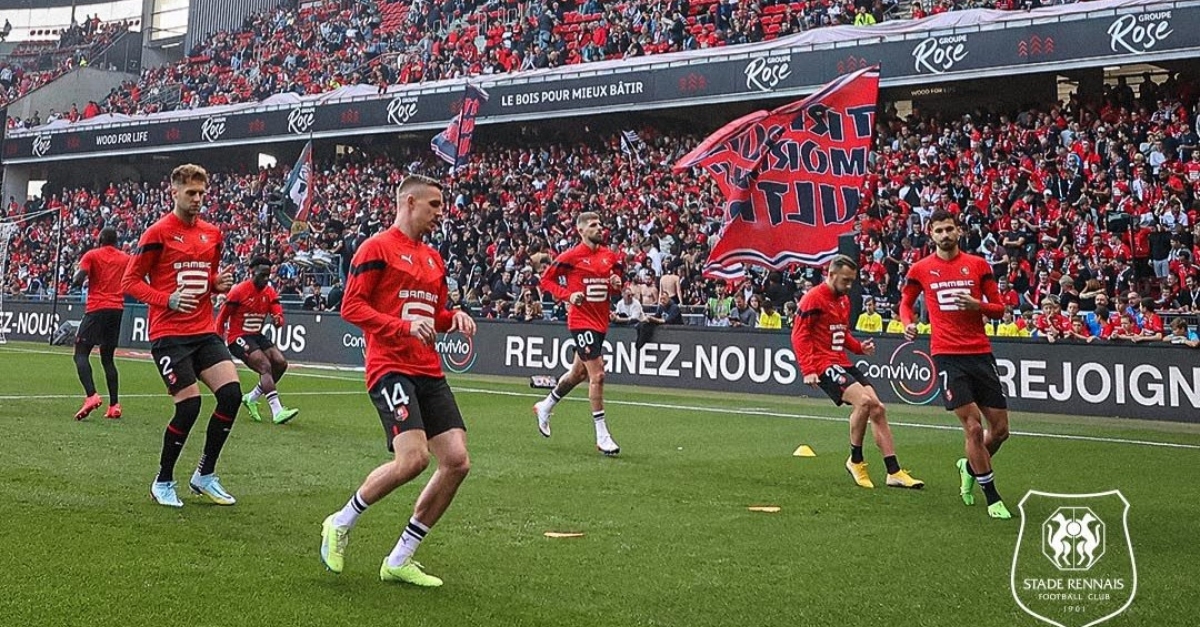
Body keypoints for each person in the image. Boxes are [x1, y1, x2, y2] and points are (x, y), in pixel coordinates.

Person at [319, 174, 476, 587]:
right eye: (434, 205)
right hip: (389, 366)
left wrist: (452, 318)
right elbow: (351, 307)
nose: (440, 214)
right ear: (409, 202)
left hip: (428, 370)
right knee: (413, 460)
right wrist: (402, 328)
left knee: (457, 461)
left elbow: (434, 317)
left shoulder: (433, 259)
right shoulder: (376, 248)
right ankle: (340, 521)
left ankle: (401, 557)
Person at [122, 164, 241, 508]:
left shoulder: (212, 233)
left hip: (204, 329)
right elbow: (129, 282)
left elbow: (210, 276)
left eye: (202, 193)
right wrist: (166, 299)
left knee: (231, 395)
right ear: (173, 192)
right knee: (189, 405)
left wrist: (217, 285)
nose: (198, 199)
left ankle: (204, 475)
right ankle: (163, 480)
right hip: (169, 334)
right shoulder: (157, 233)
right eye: (191, 193)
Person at [900, 209, 1012, 520]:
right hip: (947, 355)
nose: (945, 235)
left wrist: (978, 305)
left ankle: (969, 466)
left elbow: (999, 310)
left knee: (1000, 431)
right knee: (974, 428)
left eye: (949, 229)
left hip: (980, 352)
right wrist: (907, 323)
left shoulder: (977, 265)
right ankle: (992, 497)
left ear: (958, 231)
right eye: (939, 231)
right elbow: (906, 302)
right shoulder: (921, 269)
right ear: (930, 234)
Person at [795, 255, 924, 490]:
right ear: (831, 275)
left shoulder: (843, 300)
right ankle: (855, 460)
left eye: (852, 281)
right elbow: (799, 335)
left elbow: (840, 332)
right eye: (845, 280)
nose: (849, 286)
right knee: (864, 402)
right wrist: (808, 369)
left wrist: (858, 348)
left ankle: (893, 471)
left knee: (878, 408)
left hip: (841, 361)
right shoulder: (812, 298)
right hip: (823, 364)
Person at [533, 211, 623, 455]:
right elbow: (546, 281)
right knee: (598, 374)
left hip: (600, 322)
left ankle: (546, 405)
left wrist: (617, 284)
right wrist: (568, 295)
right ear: (581, 230)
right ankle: (602, 434)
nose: (599, 228)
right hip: (580, 321)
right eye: (593, 225)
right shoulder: (571, 256)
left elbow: (615, 285)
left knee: (577, 374)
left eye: (600, 224)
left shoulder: (609, 256)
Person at [214, 256, 299, 425]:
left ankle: (251, 398)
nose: (266, 279)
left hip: (256, 336)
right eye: (263, 275)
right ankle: (277, 411)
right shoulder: (239, 291)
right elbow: (222, 318)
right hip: (238, 337)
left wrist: (278, 320)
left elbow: (278, 316)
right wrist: (217, 342)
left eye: (269, 275)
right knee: (265, 366)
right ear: (252, 272)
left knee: (281, 363)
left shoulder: (269, 292)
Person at [71, 227, 130, 420]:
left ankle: (91, 396)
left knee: (80, 353)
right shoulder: (125, 258)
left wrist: (76, 277)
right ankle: (114, 405)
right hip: (117, 310)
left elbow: (78, 280)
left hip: (97, 308)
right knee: (108, 359)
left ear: (100, 240)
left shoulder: (92, 255)